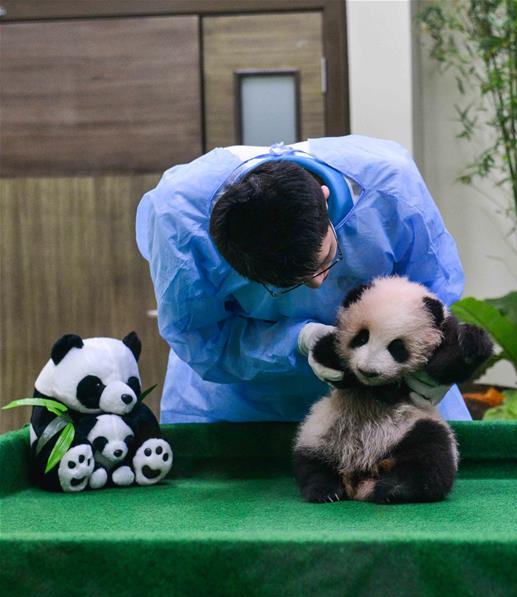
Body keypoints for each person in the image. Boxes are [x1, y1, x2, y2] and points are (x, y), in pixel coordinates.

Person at [135, 136, 471, 423]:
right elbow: (202, 340)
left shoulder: (390, 186)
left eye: (326, 259)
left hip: (389, 394)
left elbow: (433, 298)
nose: (317, 284)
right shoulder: (179, 219)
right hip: (238, 404)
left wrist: (440, 363)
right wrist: (297, 340)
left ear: (325, 198)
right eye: (287, 285)